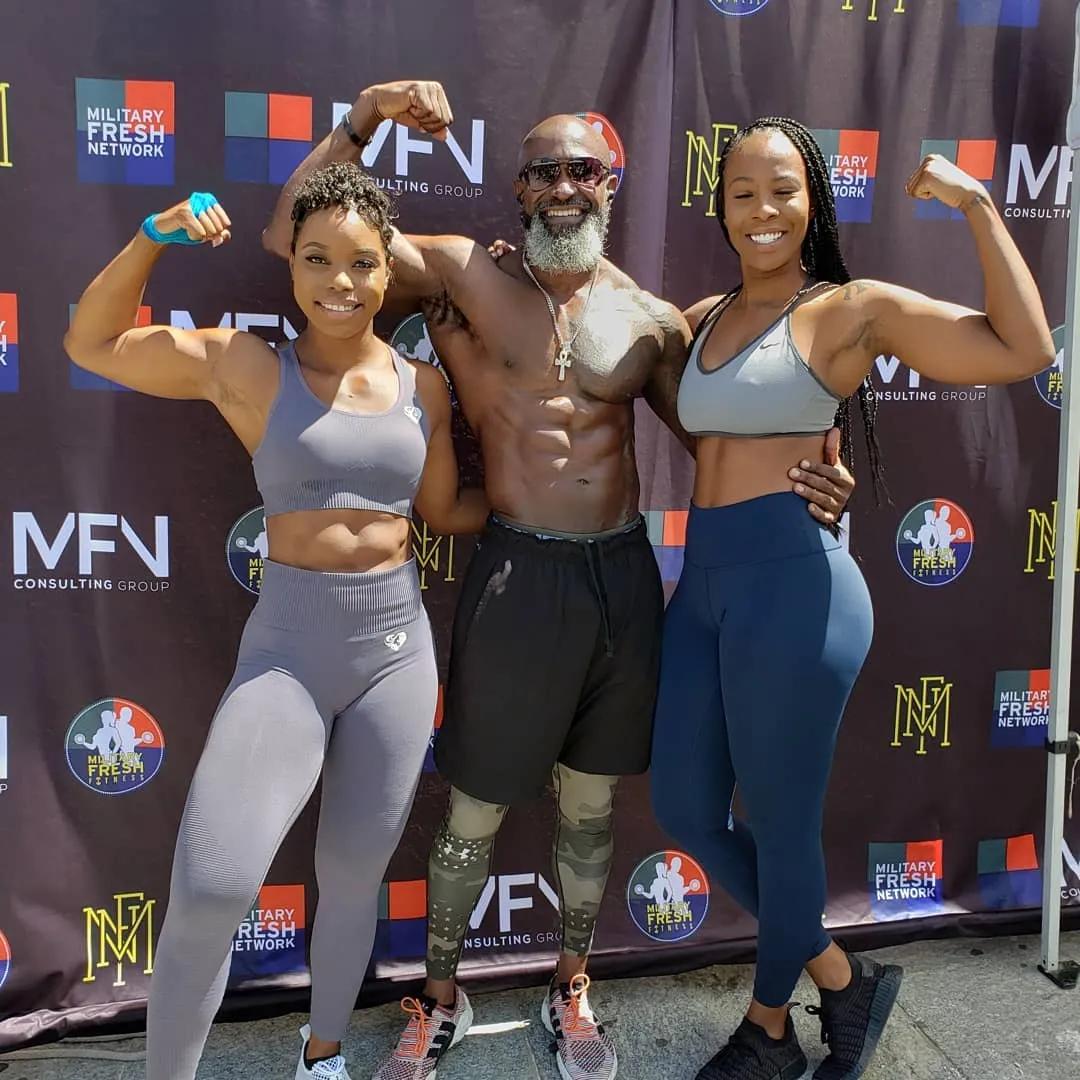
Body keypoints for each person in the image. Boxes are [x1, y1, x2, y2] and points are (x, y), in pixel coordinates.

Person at [265, 83, 856, 1080]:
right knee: (475, 810)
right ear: (518, 187)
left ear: (611, 183)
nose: (563, 187)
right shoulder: (464, 274)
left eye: (583, 170)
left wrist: (821, 478)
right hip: (517, 573)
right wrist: (364, 119)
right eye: (543, 171)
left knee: (590, 807)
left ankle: (571, 986)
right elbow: (293, 234)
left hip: (620, 580)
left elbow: (723, 440)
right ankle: (439, 998)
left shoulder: (652, 321)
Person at [648, 117, 1055, 1080]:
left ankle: (768, 1031)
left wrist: (976, 204)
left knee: (780, 827)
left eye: (783, 190)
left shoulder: (850, 310)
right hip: (704, 585)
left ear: (815, 202)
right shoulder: (700, 317)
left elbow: (1023, 348)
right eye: (743, 192)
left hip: (795, 587)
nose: (763, 210)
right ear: (720, 206)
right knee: (685, 806)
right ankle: (842, 976)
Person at [65, 161, 485, 1080]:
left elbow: (447, 512)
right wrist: (153, 236)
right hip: (289, 652)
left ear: (388, 271)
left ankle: (322, 1056)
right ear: (289, 266)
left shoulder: (425, 386)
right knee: (213, 888)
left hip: (395, 653)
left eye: (363, 262)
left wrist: (554, 500)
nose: (341, 280)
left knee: (354, 876)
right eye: (317, 258)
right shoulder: (247, 366)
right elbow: (91, 343)